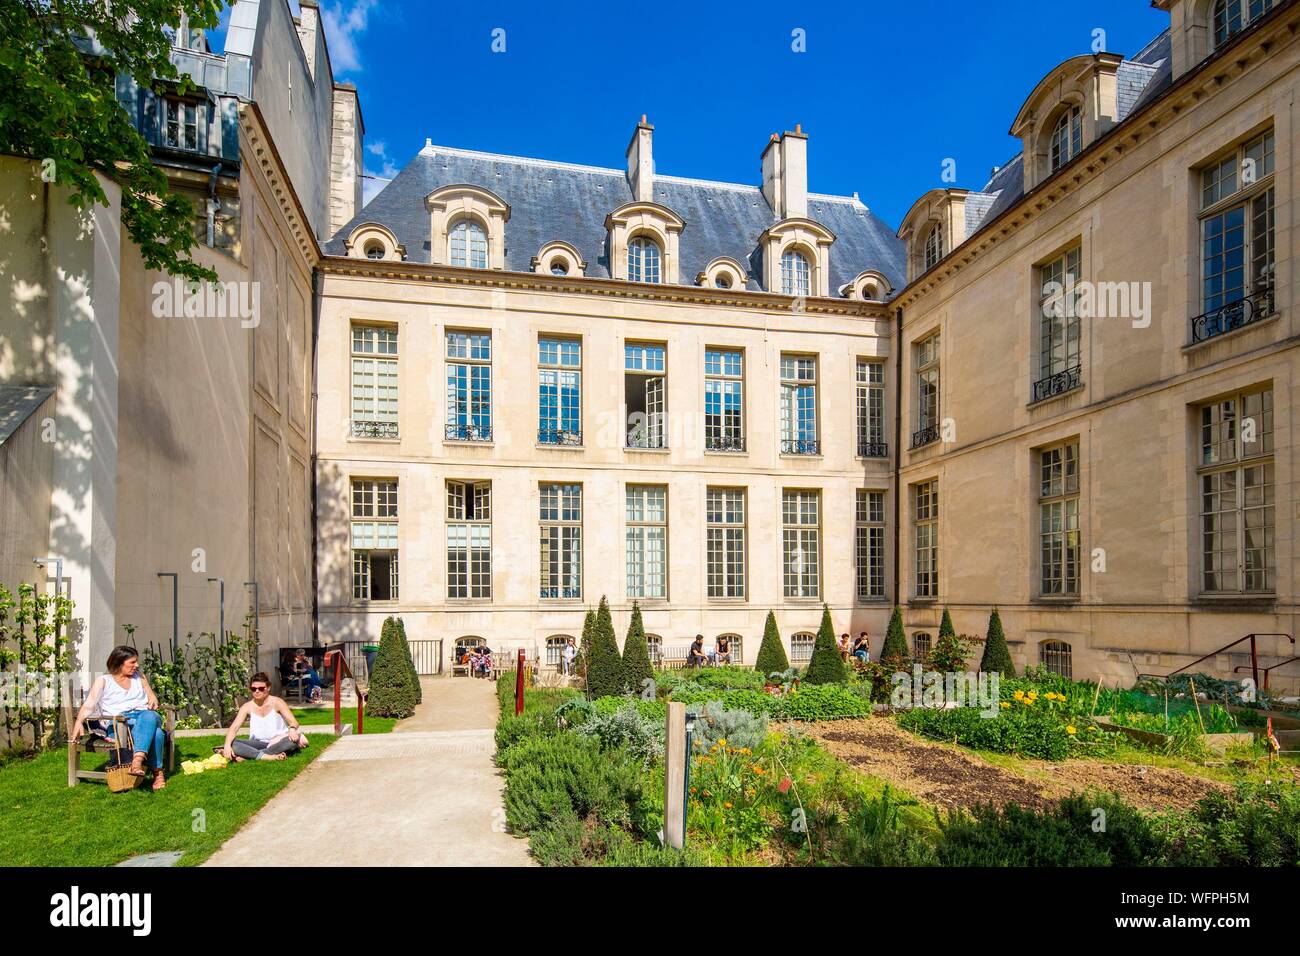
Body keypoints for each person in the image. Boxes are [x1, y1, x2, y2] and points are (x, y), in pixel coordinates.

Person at [71, 645, 169, 791]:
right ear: (119, 663)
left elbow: (151, 696)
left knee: (149, 715)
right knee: (158, 733)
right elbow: (89, 704)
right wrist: (79, 722)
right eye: (132, 662)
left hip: (144, 716)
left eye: (136, 662)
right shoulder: (104, 681)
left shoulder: (139, 676)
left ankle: (137, 761)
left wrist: (153, 698)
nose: (137, 665)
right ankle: (158, 773)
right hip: (120, 723)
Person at [221, 673, 307, 762]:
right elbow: (234, 728)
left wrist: (292, 729)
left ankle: (249, 755)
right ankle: (267, 756)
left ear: (268, 687)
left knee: (291, 742)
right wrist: (227, 745)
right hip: (258, 743)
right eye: (253, 689)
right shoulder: (247, 707)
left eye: (261, 688)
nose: (257, 691)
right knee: (233, 744)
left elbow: (294, 722)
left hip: (279, 741)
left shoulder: (277, 702)